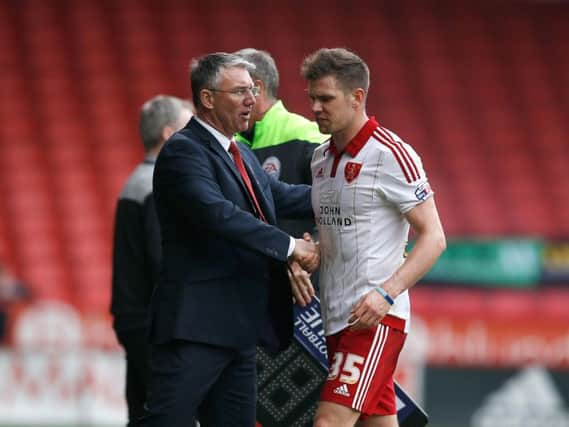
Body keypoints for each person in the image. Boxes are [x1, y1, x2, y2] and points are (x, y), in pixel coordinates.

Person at [140, 52, 319, 427]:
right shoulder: (183, 150)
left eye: (252, 90)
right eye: (240, 91)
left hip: (238, 328)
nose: (252, 99)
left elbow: (282, 194)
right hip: (197, 327)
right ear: (207, 98)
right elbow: (217, 213)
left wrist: (347, 193)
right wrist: (290, 246)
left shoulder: (239, 152)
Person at [299, 48, 446, 427]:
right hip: (334, 316)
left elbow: (434, 238)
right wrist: (316, 247)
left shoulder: (392, 154)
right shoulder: (320, 159)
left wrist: (386, 293)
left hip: (374, 320)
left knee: (328, 422)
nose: (315, 107)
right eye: (312, 97)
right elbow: (341, 227)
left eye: (326, 98)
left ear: (357, 96)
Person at [110, 95, 193, 427]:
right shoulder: (156, 186)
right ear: (169, 135)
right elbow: (164, 260)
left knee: (143, 412)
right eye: (189, 130)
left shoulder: (137, 181)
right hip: (152, 322)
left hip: (135, 318)